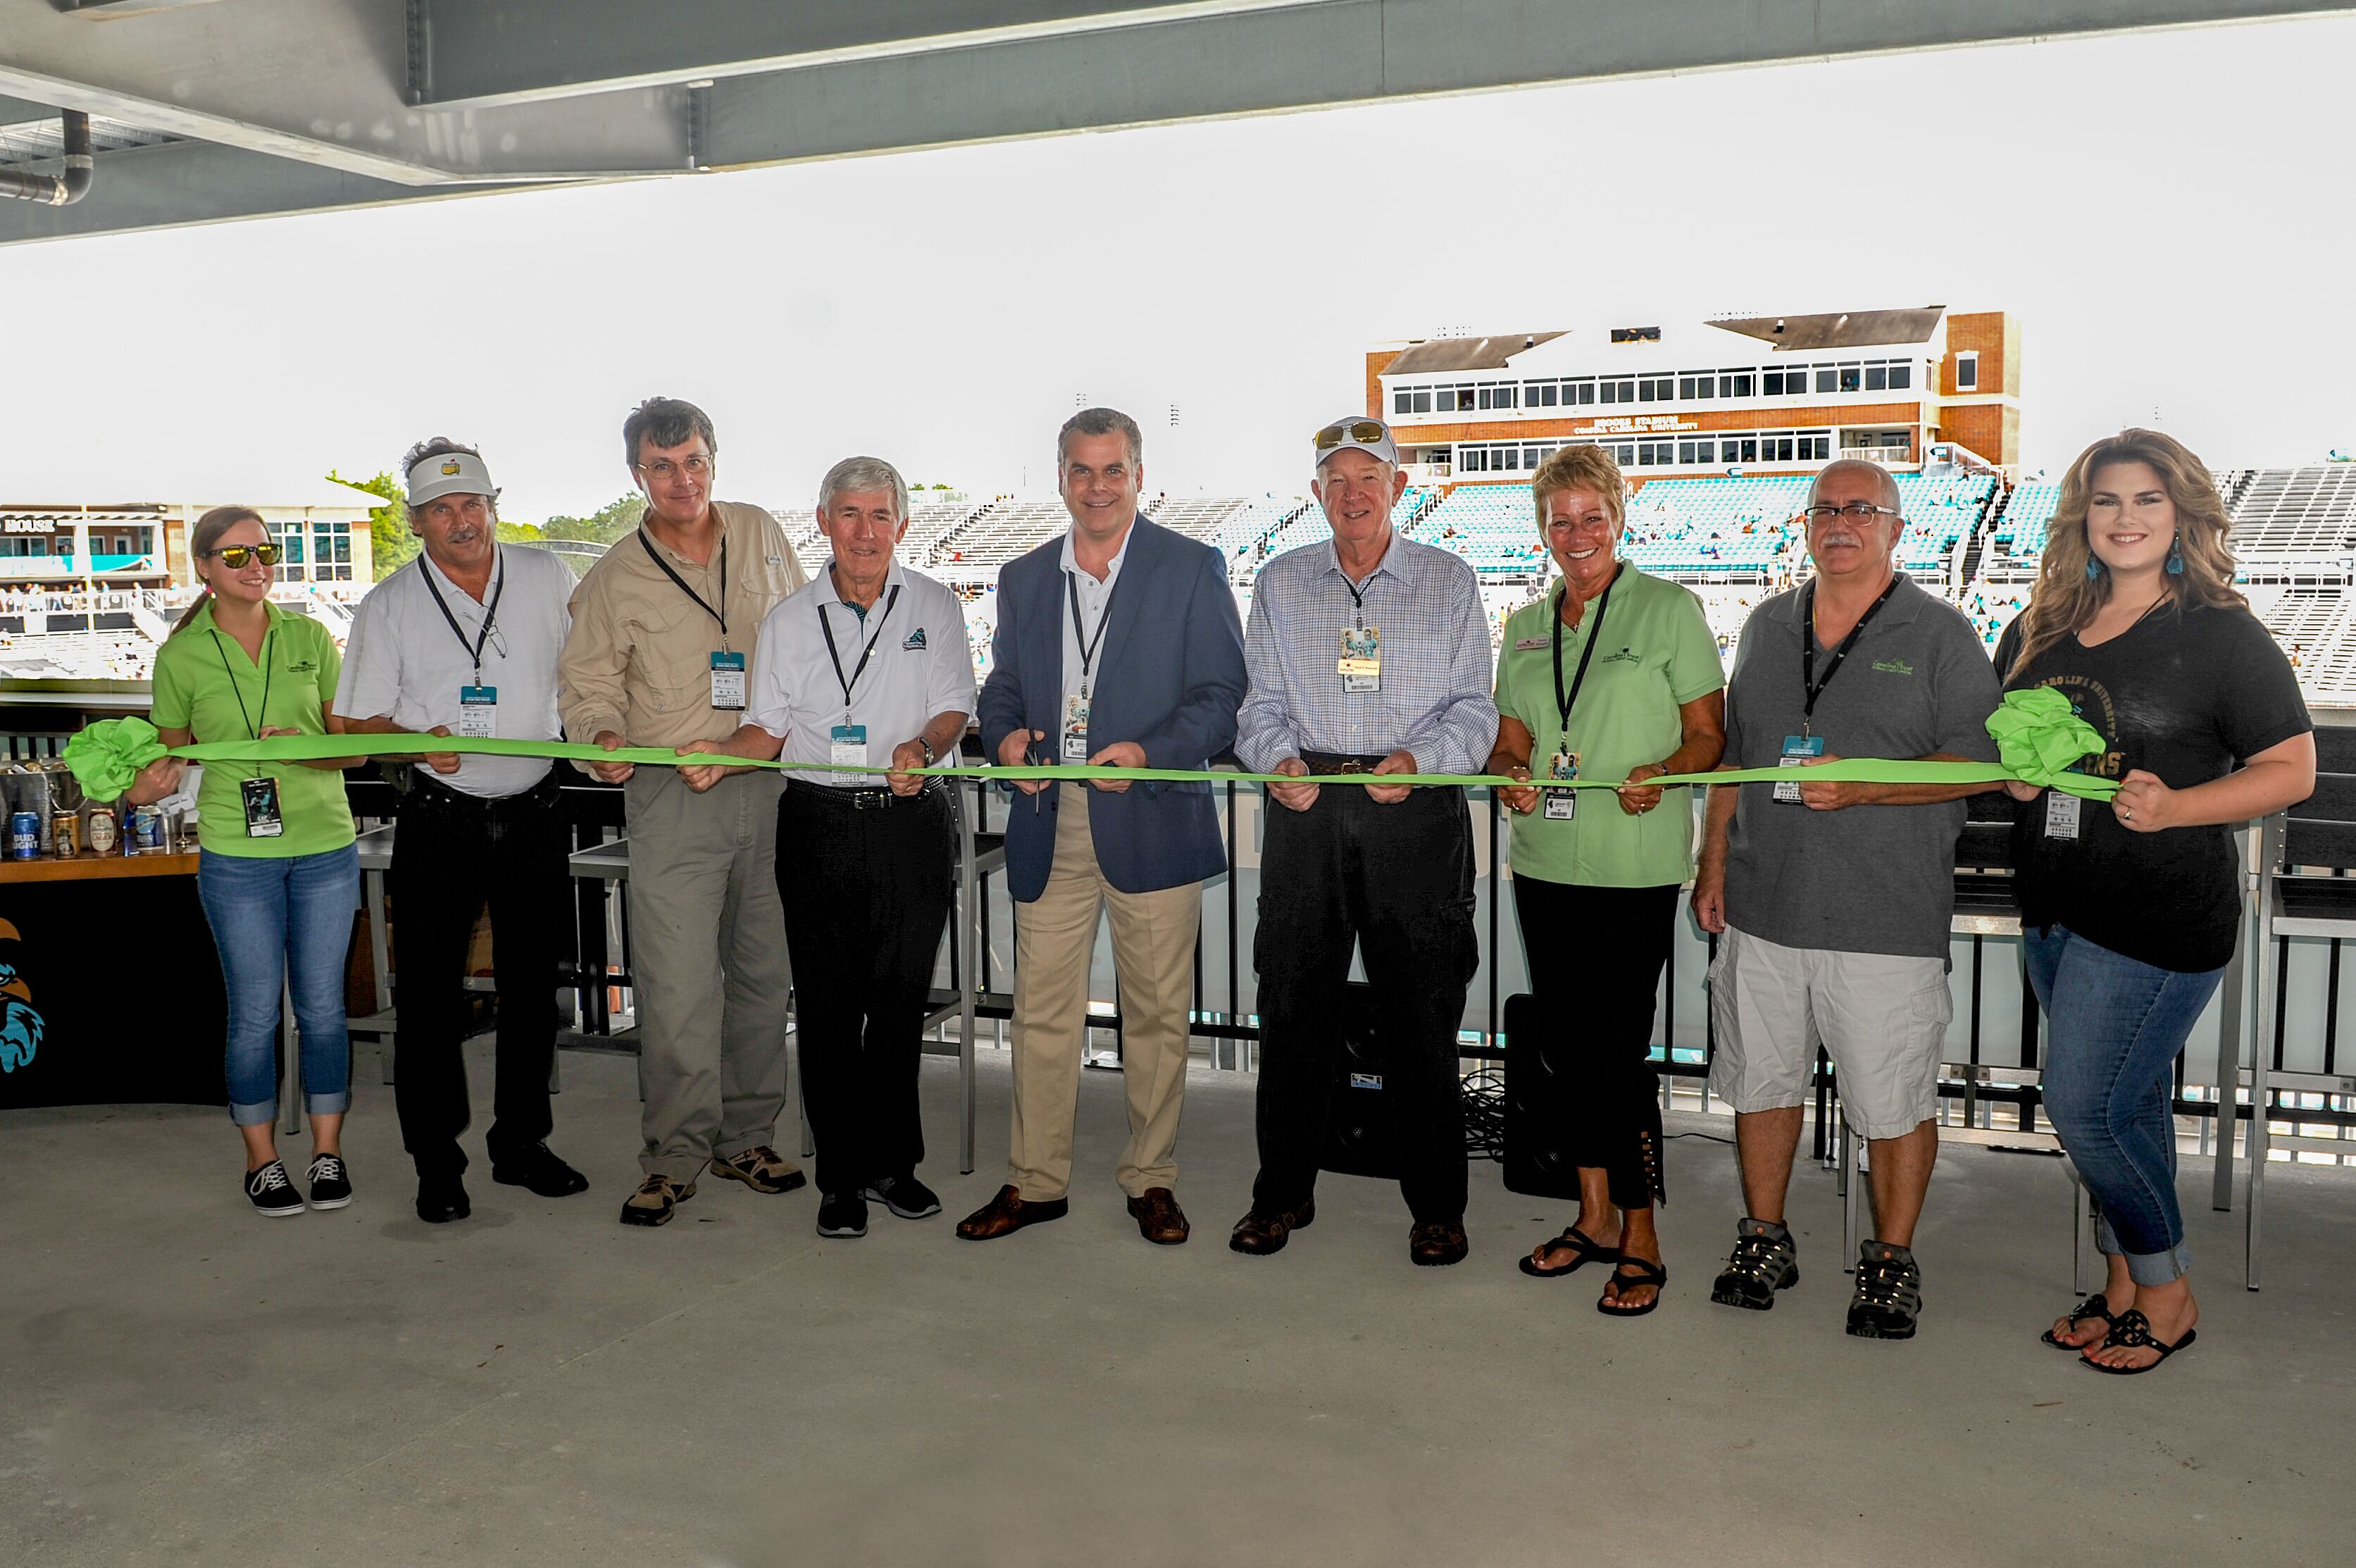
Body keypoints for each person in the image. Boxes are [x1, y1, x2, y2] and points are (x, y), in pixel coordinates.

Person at [1998, 430, 2312, 1373]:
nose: (2124, 518)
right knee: (2127, 1106)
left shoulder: (2221, 631)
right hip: (2054, 904)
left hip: (2159, 913)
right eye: (2105, 500)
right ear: (2080, 516)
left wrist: (2178, 805)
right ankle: (2122, 1282)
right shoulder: (2036, 628)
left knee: (2084, 1106)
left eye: (2145, 500)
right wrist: (2020, 774)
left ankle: (2165, 1288)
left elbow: (2291, 769)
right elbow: (2018, 760)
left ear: (2180, 515)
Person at [1693, 457, 2002, 1339]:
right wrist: (1712, 864)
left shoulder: (1942, 633)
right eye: (1825, 508)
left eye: (1862, 509)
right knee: (1762, 1080)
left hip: (1885, 919)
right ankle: (1765, 1236)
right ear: (1804, 525)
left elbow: (1984, 765)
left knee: (1892, 1100)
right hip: (1763, 907)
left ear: (1897, 529)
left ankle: (1890, 1260)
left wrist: (1864, 787)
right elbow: (1736, 761)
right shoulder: (1761, 626)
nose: (1841, 522)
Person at [959, 408, 1246, 1247]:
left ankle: (1150, 1177)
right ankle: (1035, 1181)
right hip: (1050, 814)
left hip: (1151, 812)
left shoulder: (1192, 567)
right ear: (1060, 477)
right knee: (1042, 1013)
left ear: (1138, 476)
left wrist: (1147, 752)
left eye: (1112, 470)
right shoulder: (1022, 577)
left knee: (1156, 1014)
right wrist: (1007, 735)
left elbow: (1222, 698)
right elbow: (1004, 681)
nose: (1097, 486)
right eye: (1081, 471)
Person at [1230, 416, 1498, 1267]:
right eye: (1336, 480)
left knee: (1422, 1014)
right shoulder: (1279, 581)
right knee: (1295, 1009)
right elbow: (1258, 705)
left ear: (1398, 489)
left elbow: (1475, 710)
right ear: (1315, 494)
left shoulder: (1450, 581)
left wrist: (1422, 761)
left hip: (1413, 811)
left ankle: (1439, 1208)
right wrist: (1274, 758)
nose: (1353, 495)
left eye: (1369, 478)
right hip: (1307, 808)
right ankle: (1281, 1196)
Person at [692, 456, 976, 1239]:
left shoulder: (936, 605)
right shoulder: (788, 621)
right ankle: (840, 1179)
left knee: (898, 1004)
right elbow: (766, 729)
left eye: (880, 516)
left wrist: (922, 746)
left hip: (910, 821)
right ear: (824, 523)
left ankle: (895, 1166)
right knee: (824, 1009)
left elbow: (954, 706)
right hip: (816, 825)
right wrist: (721, 754)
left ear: (902, 526)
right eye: (849, 515)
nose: (865, 531)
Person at [558, 397, 808, 1227]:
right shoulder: (612, 578)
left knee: (764, 976)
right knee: (676, 986)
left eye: (694, 461)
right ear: (639, 475)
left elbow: (810, 638)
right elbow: (588, 687)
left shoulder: (763, 532)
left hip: (771, 786)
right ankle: (674, 1155)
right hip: (673, 796)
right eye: (662, 466)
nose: (682, 479)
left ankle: (748, 1138)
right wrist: (599, 735)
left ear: (714, 461)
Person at [1490, 444, 1726, 1314]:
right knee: (1561, 1049)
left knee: (1615, 1058)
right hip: (1544, 863)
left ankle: (1643, 1235)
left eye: (1592, 517)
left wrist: (1665, 771)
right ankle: (1591, 1217)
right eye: (1560, 520)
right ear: (1543, 530)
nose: (1576, 535)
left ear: (1619, 519)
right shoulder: (1521, 627)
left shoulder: (1670, 609)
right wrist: (1506, 771)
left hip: (1633, 871)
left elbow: (1710, 736)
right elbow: (1510, 739)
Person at [336, 440, 589, 1224]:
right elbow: (352, 723)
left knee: (531, 992)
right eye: (442, 509)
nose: (461, 520)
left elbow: (592, 674)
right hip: (440, 816)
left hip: (537, 811)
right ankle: (436, 1165)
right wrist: (411, 741)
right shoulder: (390, 603)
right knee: (431, 1002)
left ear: (494, 506)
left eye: (473, 503)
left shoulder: (548, 577)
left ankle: (520, 1144)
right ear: (416, 522)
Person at [119, 507, 364, 1216]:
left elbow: (353, 750)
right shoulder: (180, 656)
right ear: (204, 567)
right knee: (254, 1014)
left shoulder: (312, 636)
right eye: (237, 556)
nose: (257, 565)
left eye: (267, 551)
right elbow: (166, 761)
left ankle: (327, 1153)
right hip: (236, 852)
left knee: (323, 1011)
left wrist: (305, 748)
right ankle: (262, 1161)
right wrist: (143, 787)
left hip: (324, 844)